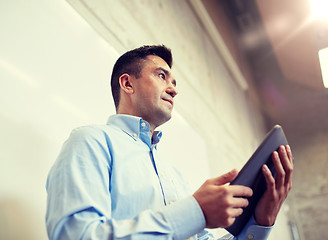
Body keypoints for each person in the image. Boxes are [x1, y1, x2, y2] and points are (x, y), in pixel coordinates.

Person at [46, 45, 294, 240]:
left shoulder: (174, 176)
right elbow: (76, 235)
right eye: (162, 76)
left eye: (174, 83)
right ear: (127, 83)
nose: (173, 89)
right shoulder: (90, 142)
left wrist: (261, 221)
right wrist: (196, 211)